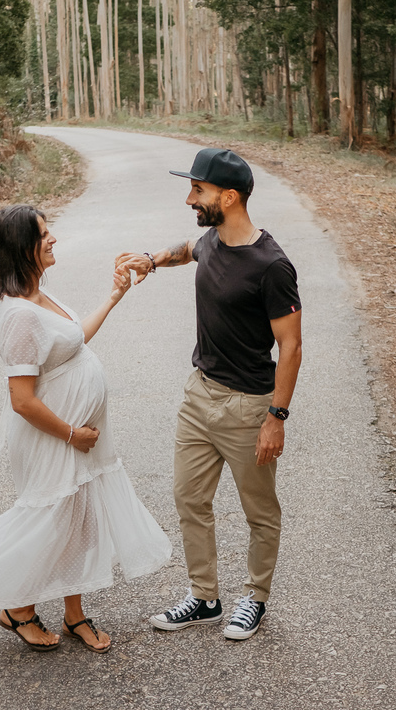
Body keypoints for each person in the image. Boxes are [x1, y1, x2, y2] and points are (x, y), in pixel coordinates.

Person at [0, 204, 171, 653]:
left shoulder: (39, 295)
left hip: (79, 436)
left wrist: (114, 297)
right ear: (21, 248)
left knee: (81, 522)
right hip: (57, 438)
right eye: (42, 234)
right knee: (50, 522)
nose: (53, 238)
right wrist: (73, 434)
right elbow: (22, 400)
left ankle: (75, 616)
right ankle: (16, 609)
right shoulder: (17, 314)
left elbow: (73, 342)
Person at [116, 148, 302, 641]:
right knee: (189, 498)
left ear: (229, 196)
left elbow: (291, 345)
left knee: (259, 511)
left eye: (197, 190)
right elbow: (188, 250)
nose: (189, 198)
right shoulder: (212, 238)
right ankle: (205, 597)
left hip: (248, 406)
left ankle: (255, 598)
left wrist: (275, 417)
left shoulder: (271, 266)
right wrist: (151, 260)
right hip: (200, 395)